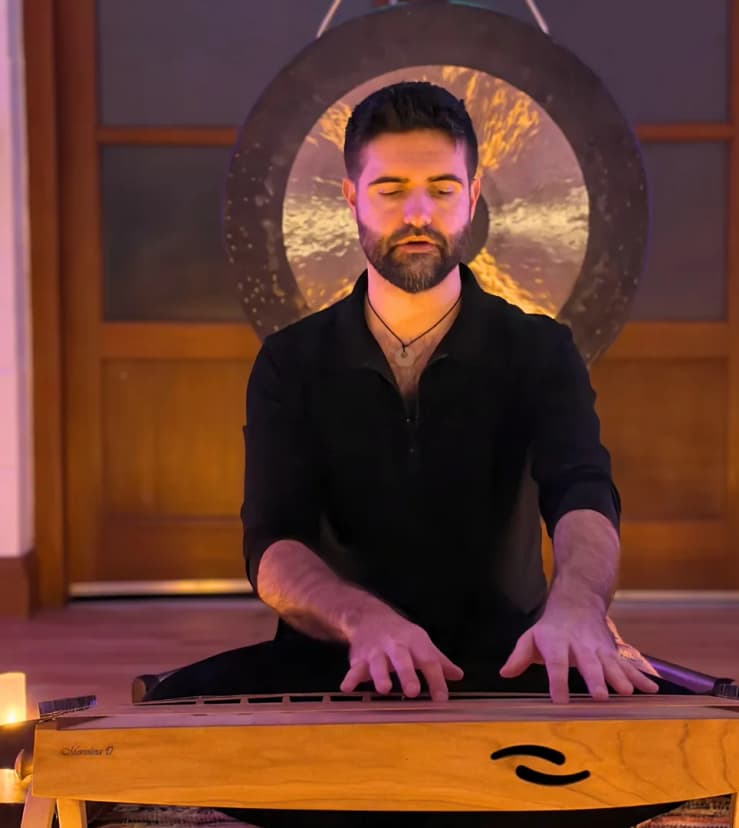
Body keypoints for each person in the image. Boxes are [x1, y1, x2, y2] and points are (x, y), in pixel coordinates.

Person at [148, 81, 686, 827]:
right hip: (332, 670)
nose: (417, 213)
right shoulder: (292, 362)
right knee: (150, 738)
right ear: (350, 196)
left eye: (440, 188)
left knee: (709, 740)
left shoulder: (536, 348)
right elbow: (273, 542)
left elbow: (582, 489)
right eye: (392, 188)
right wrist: (363, 622)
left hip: (511, 662)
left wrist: (578, 607)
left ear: (472, 197)